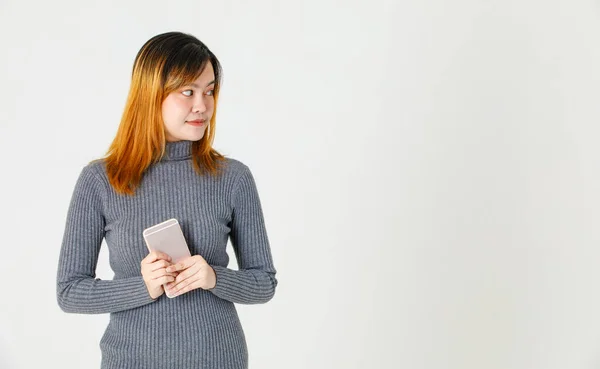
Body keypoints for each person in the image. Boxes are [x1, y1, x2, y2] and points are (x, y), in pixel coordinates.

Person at [56, 31, 278, 369]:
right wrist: (143, 286)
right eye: (187, 91)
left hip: (218, 359)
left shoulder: (233, 178)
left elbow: (264, 282)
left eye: (209, 91)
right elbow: (69, 292)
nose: (202, 105)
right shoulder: (101, 180)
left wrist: (214, 277)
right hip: (130, 361)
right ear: (151, 95)